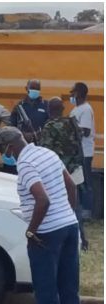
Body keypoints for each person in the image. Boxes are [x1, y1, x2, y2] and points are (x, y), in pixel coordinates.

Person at [0, 127, 86, 304]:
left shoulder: (26, 165)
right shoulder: (47, 153)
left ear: (10, 147)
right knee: (69, 292)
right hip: (69, 228)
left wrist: (31, 232)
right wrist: (67, 215)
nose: (3, 156)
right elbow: (71, 185)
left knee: (47, 296)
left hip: (46, 236)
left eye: (2, 150)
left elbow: (42, 200)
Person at [40, 97, 88, 251]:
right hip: (75, 171)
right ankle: (82, 240)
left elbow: (45, 151)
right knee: (76, 207)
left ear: (49, 110)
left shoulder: (49, 126)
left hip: (58, 173)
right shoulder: (72, 124)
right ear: (62, 109)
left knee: (58, 208)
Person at [69, 82, 95, 220]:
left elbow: (85, 131)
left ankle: (88, 211)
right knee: (78, 181)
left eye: (72, 92)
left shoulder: (85, 109)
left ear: (78, 93)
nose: (70, 95)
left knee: (85, 182)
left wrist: (71, 128)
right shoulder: (76, 109)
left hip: (85, 152)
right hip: (77, 152)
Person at [10, 79, 50, 144]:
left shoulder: (47, 105)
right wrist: (23, 135)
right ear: (26, 88)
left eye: (37, 89)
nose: (35, 90)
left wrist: (41, 133)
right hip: (23, 144)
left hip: (42, 143)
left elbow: (51, 124)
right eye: (33, 88)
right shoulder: (19, 106)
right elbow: (12, 127)